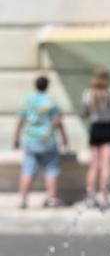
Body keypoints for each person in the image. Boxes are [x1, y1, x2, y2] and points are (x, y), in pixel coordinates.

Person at [13, 75, 69, 209]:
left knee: (28, 170)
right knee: (51, 170)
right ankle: (52, 198)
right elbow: (58, 122)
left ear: (36, 85)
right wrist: (64, 138)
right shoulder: (52, 102)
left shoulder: (27, 101)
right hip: (48, 141)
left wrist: (16, 138)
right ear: (47, 86)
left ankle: (23, 199)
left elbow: (20, 121)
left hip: (31, 140)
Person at [81, 67, 110, 208]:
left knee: (93, 166)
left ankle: (90, 197)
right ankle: (105, 196)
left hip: (95, 128)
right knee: (106, 165)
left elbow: (86, 112)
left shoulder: (88, 93)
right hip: (108, 128)